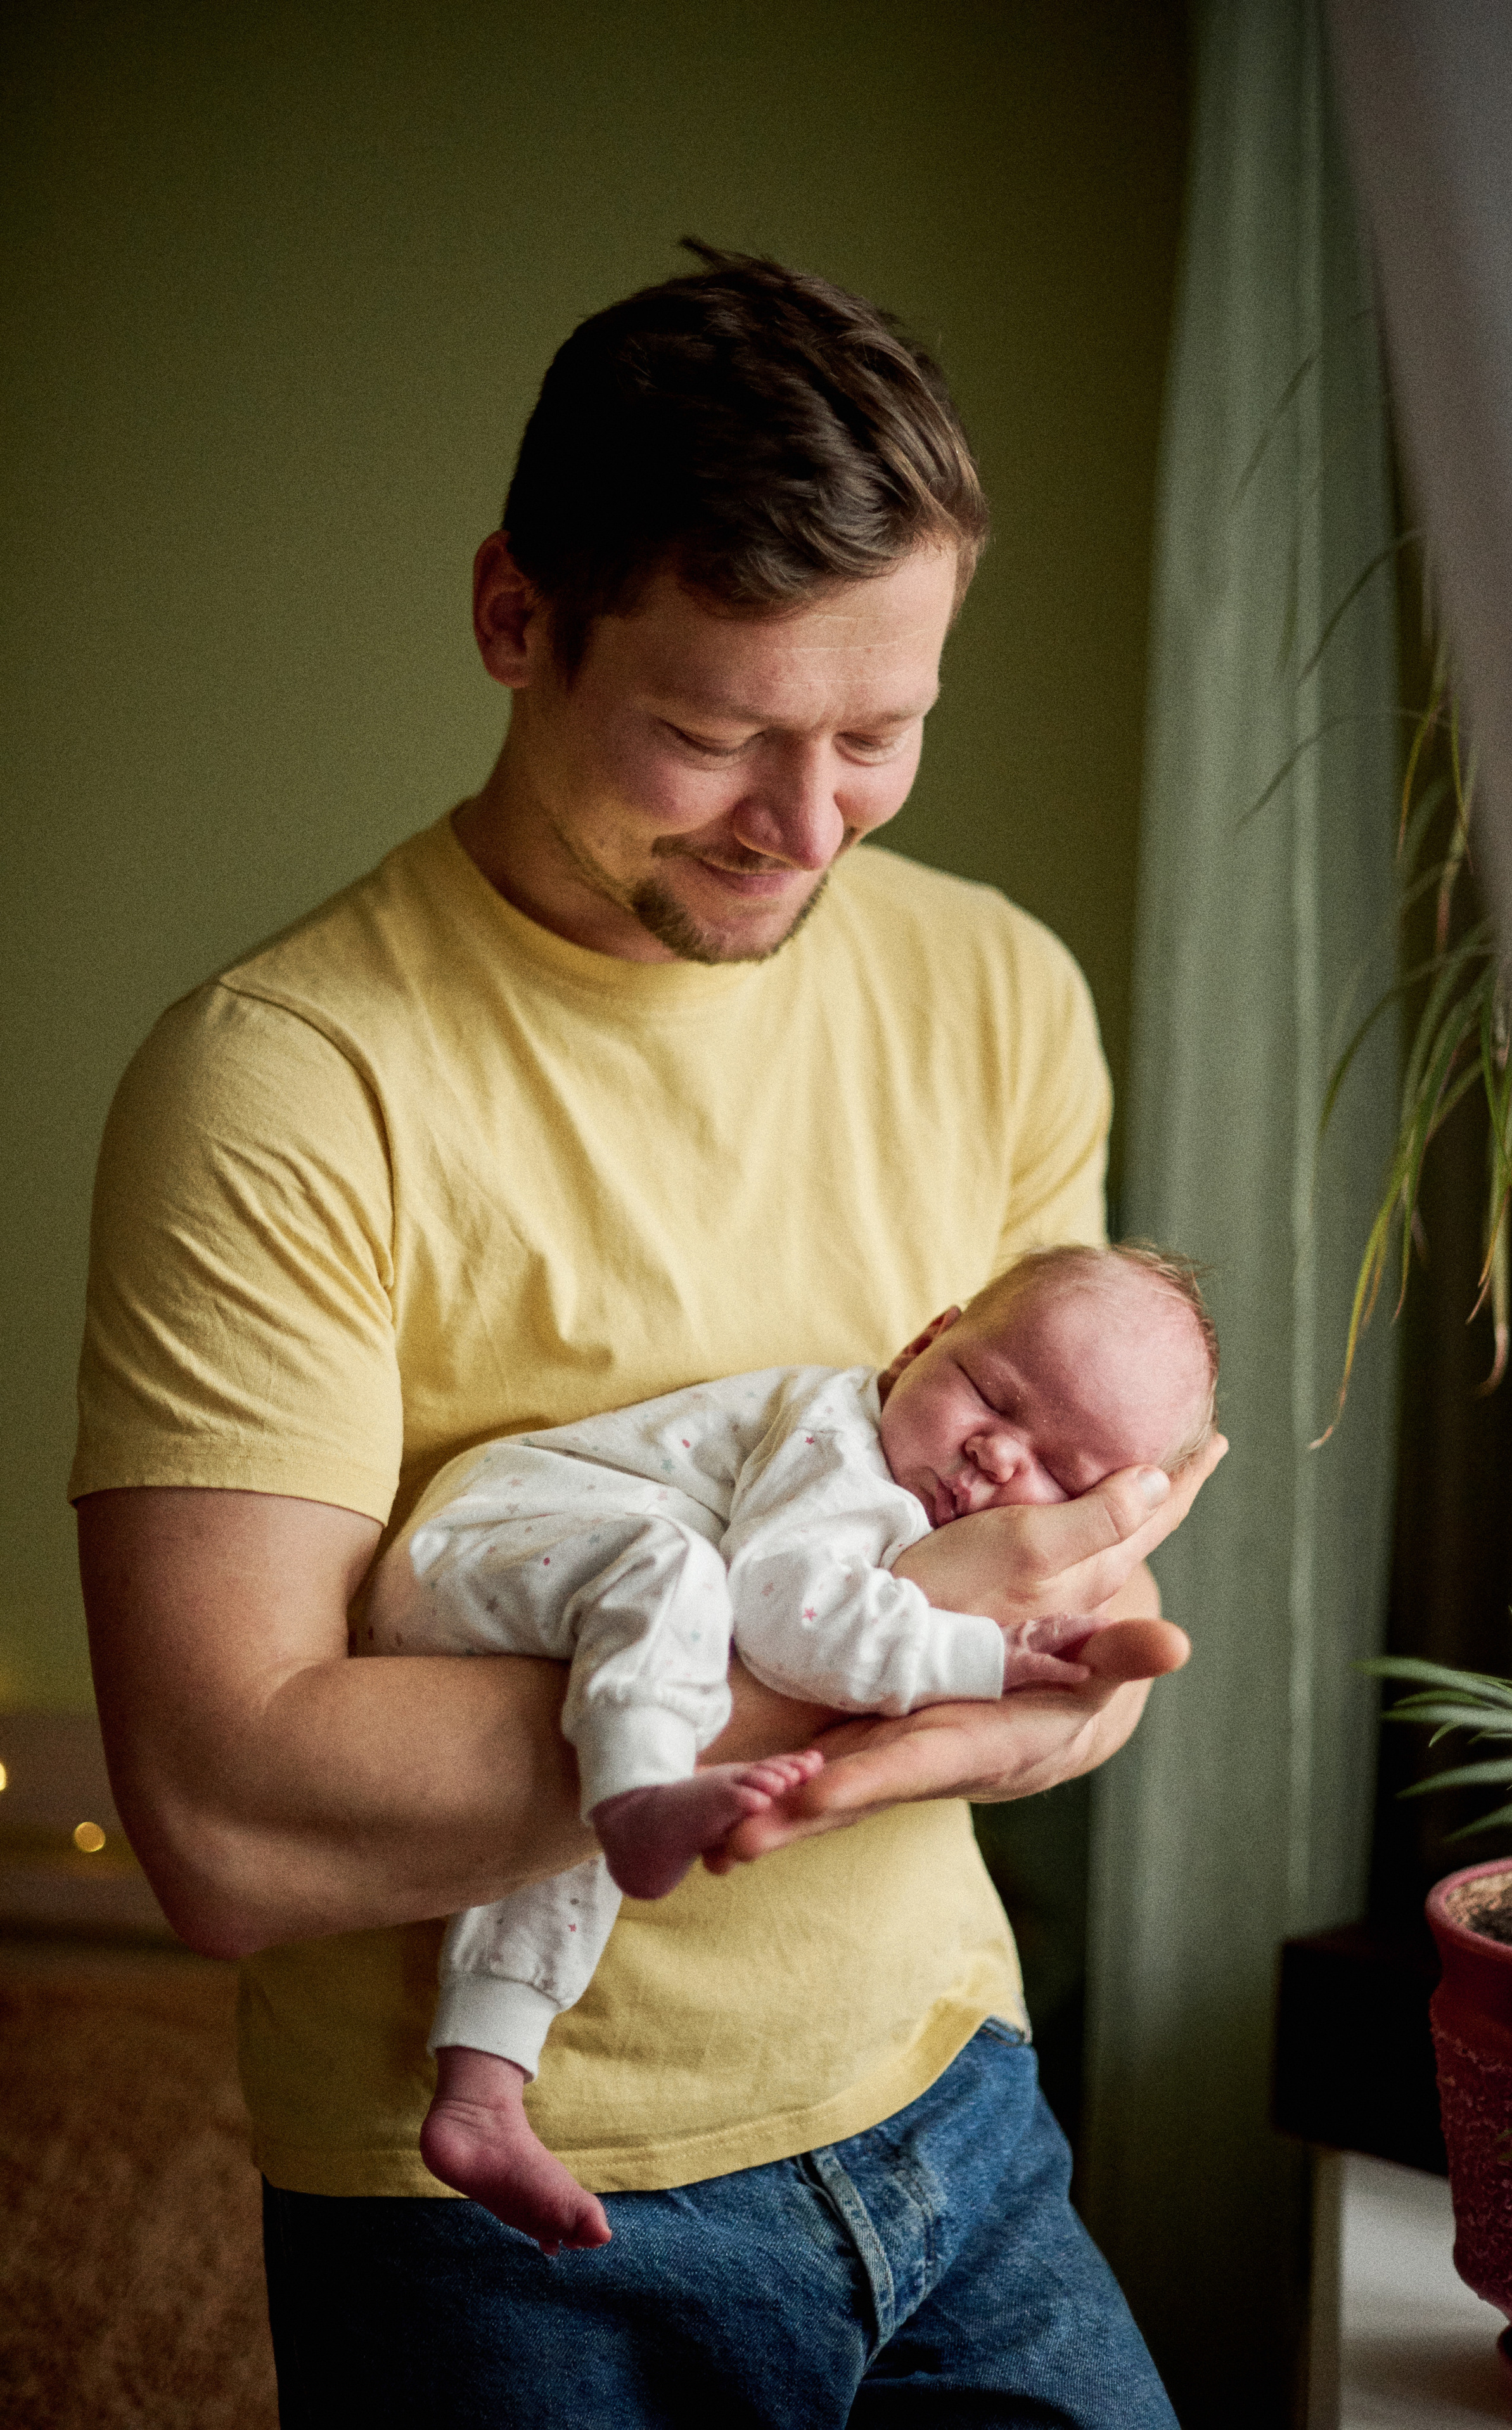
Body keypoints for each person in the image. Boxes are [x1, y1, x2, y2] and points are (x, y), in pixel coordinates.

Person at [73, 243, 1225, 2426]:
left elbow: (1091, 1641)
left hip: (959, 2114)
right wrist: (890, 1648)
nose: (808, 831)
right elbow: (224, 1820)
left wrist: (1008, 1667)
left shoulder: (1001, 994)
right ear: (517, 619)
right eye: (715, 736)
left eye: (881, 736)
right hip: (502, 2230)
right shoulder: (287, 1079)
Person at [373, 1242, 1219, 2254]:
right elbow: (789, 1618)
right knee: (671, 1581)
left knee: (597, 1771)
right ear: (922, 1345)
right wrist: (981, 1652)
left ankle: (479, 2091)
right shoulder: (841, 1441)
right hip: (481, 1546)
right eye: (990, 1393)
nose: (999, 1455)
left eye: (1060, 1474)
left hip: (557, 1599)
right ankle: (642, 1800)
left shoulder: (909, 1492)